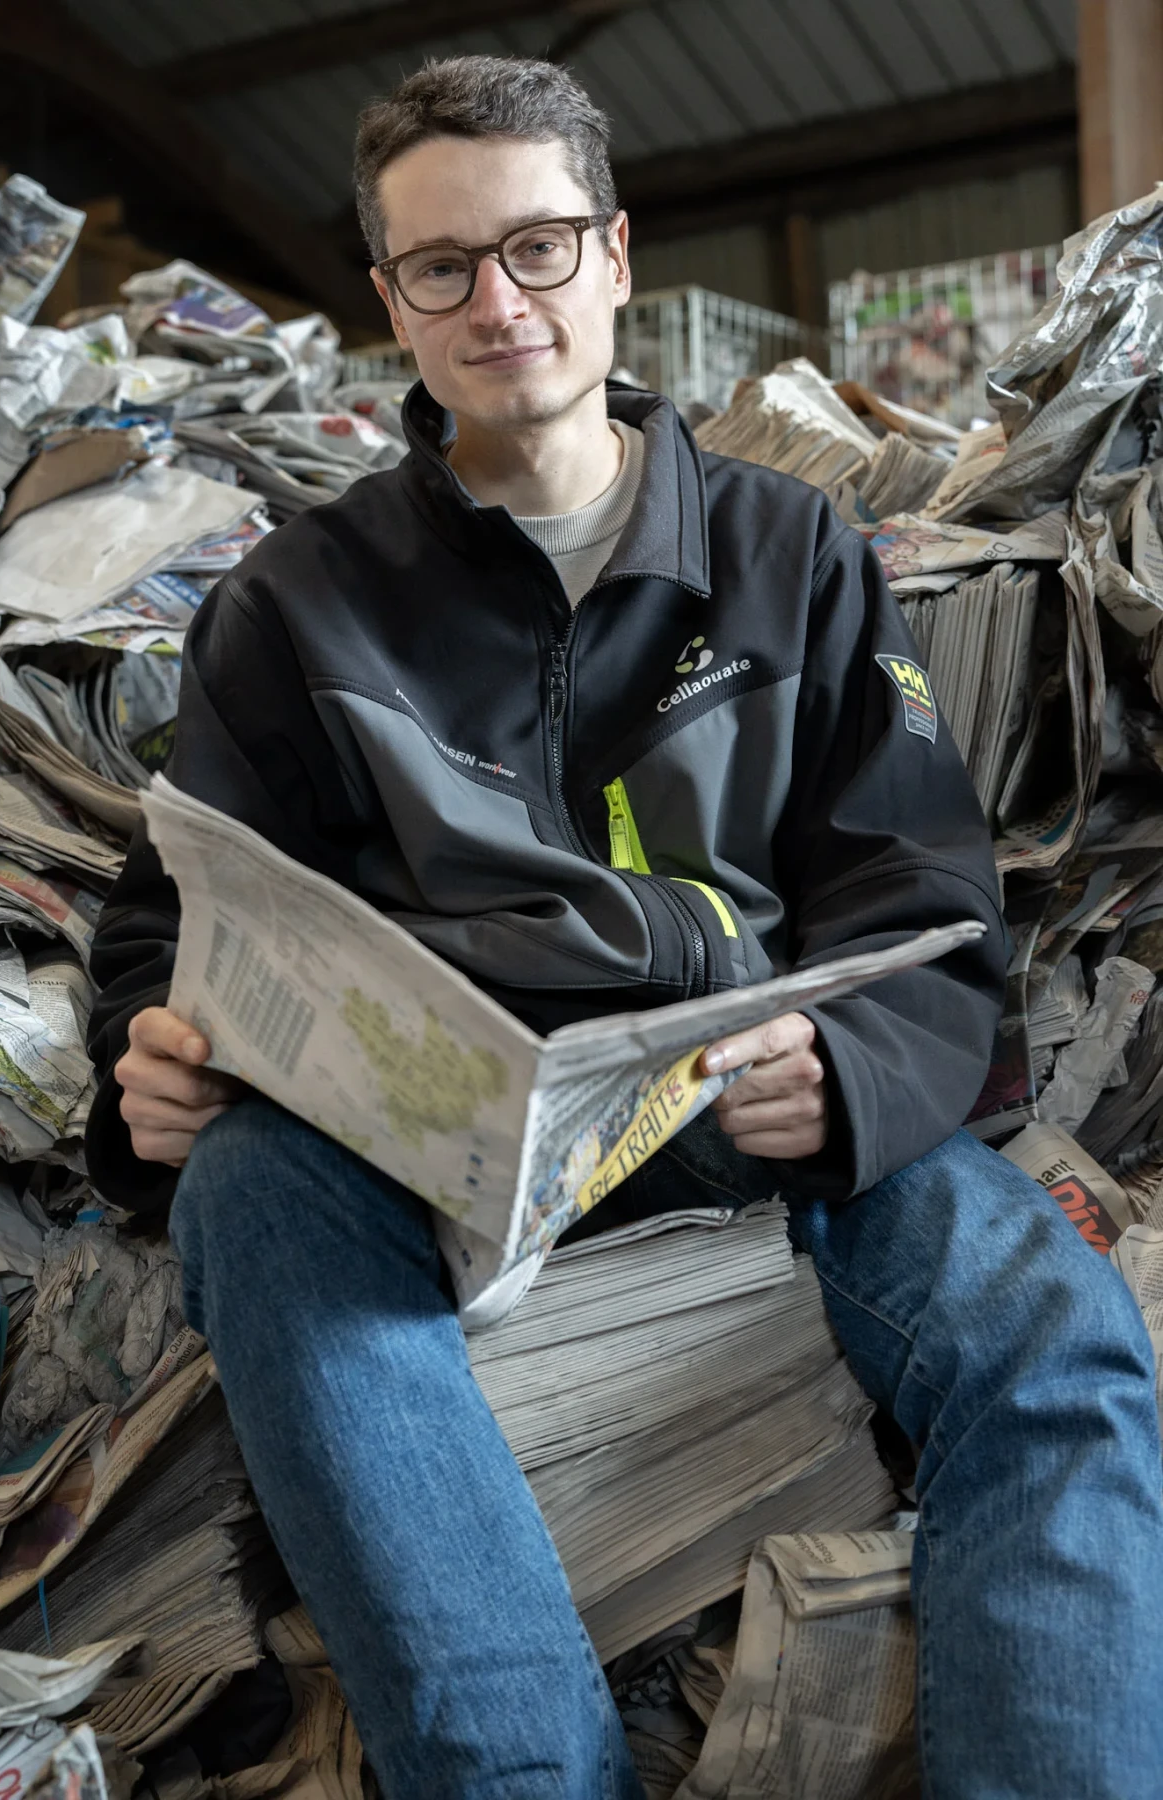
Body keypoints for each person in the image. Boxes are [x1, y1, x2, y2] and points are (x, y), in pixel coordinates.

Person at [85, 54, 1163, 1800]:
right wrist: (152, 1062)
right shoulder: (295, 605)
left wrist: (846, 1067)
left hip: (747, 1115)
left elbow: (920, 891)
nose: (497, 300)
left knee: (1052, 1332)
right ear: (390, 303)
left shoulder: (790, 550)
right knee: (244, 1189)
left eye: (538, 246)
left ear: (616, 255)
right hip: (432, 1153)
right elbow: (175, 921)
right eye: (441, 266)